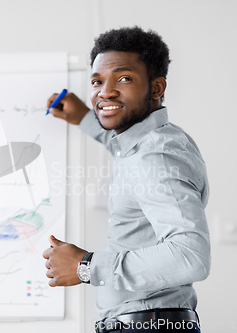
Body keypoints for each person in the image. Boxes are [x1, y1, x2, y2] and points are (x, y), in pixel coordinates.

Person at [42, 26, 210, 333]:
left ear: (157, 87)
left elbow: (191, 256)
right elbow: (125, 153)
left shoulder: (155, 157)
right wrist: (83, 117)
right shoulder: (152, 143)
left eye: (124, 78)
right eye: (97, 81)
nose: (105, 91)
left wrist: (86, 266)